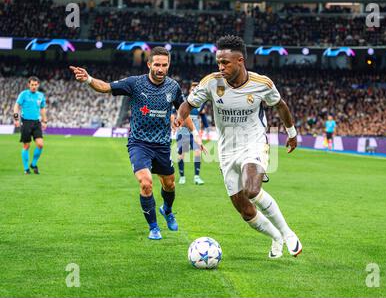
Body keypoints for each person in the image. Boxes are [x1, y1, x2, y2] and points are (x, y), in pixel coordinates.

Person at [175, 35, 302, 259]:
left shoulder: (262, 84)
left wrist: (291, 134)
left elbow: (280, 105)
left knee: (252, 190)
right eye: (218, 62)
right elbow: (188, 104)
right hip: (225, 150)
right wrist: (179, 117)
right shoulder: (211, 82)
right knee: (245, 211)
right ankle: (276, 237)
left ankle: (287, 232)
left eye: (226, 63)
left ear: (240, 61)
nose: (220, 67)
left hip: (254, 143)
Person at [70, 47, 203, 240]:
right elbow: (106, 87)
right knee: (146, 183)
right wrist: (89, 80)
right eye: (156, 64)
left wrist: (195, 134)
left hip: (163, 145)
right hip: (139, 144)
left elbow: (183, 111)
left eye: (164, 65)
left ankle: (167, 209)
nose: (160, 68)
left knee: (170, 184)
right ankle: (154, 228)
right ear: (149, 64)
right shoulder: (135, 83)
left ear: (168, 65)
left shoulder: (173, 87)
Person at [13, 76, 47, 175]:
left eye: (35, 85)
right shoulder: (23, 94)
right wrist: (16, 118)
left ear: (38, 85)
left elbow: (43, 108)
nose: (34, 87)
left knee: (40, 144)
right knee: (26, 145)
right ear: (29, 85)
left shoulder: (40, 95)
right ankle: (26, 168)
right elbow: (16, 106)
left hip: (36, 122)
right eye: (32, 85)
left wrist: (45, 121)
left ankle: (33, 164)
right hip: (26, 122)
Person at [175, 82, 205, 185]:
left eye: (195, 89)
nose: (193, 91)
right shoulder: (183, 102)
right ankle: (182, 177)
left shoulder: (200, 103)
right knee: (181, 155)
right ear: (189, 91)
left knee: (197, 153)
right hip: (183, 133)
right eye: (192, 89)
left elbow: (202, 116)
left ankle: (197, 177)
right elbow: (174, 114)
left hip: (194, 133)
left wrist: (206, 128)